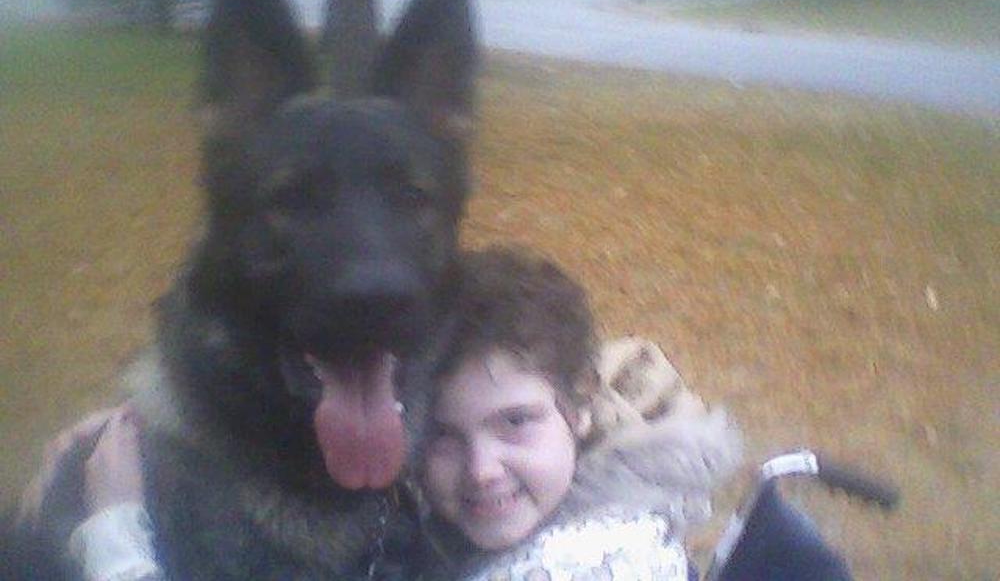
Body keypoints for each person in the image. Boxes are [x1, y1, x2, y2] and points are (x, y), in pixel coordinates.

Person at [23, 246, 742, 581]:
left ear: (580, 409)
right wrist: (156, 422)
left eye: (514, 423)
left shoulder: (588, 568)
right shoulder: (586, 459)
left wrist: (113, 530)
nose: (481, 470)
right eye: (442, 437)